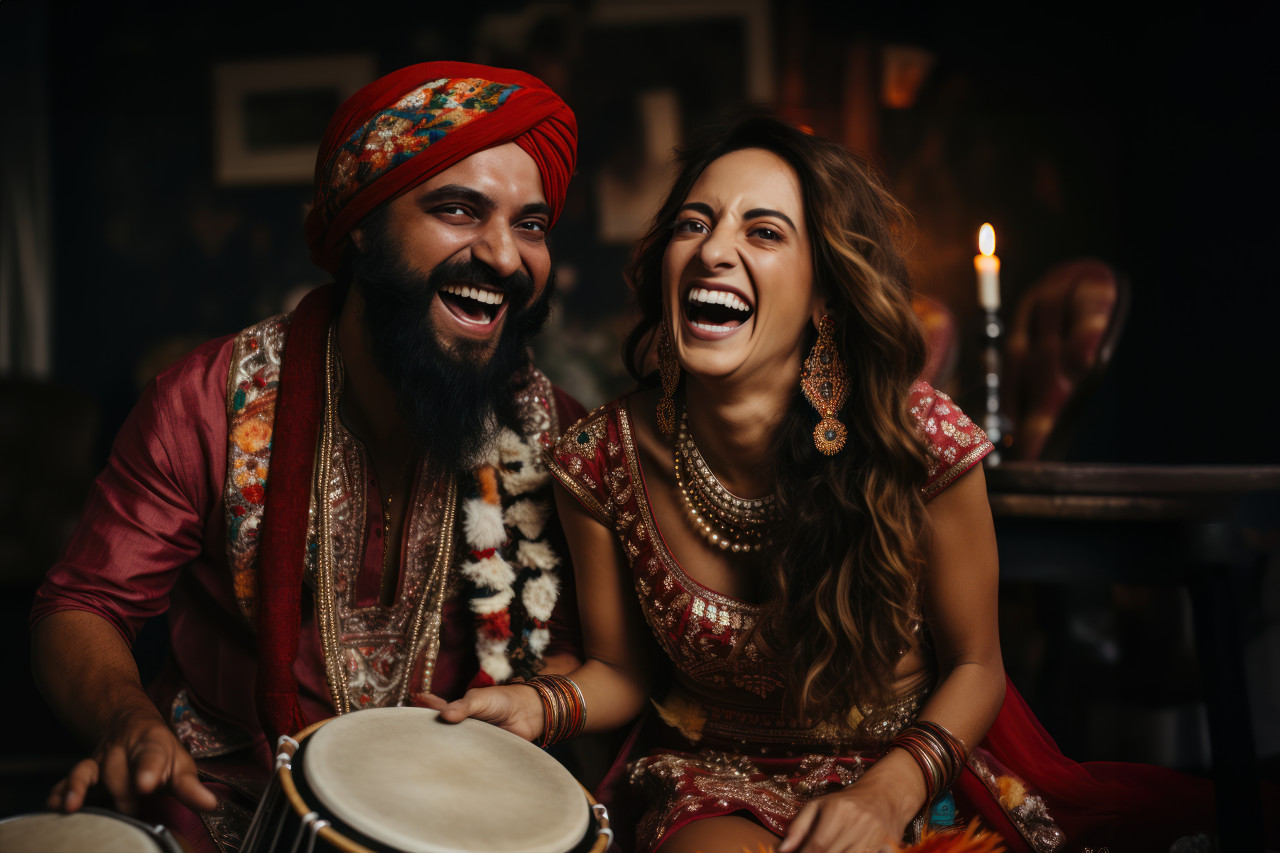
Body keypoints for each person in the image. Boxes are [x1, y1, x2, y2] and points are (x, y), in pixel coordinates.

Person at [429, 115, 1220, 853]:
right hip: (719, 776)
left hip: (915, 766)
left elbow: (978, 667)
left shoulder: (919, 439)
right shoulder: (599, 458)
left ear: (824, 294)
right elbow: (623, 672)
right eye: (693, 223)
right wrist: (532, 706)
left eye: (763, 231)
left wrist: (887, 792)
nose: (712, 251)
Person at [30, 61, 585, 851]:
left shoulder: (552, 432)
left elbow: (578, 647)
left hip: (453, 812)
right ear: (359, 224)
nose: (502, 255)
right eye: (458, 209)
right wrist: (128, 720)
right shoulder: (207, 402)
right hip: (226, 799)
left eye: (530, 224)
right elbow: (81, 604)